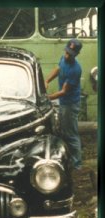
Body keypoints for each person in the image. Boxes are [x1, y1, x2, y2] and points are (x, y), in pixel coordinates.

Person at [45, 38, 83, 170]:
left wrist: (47, 97)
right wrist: (47, 80)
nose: (66, 56)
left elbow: (63, 92)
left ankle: (77, 164)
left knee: (71, 134)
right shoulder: (64, 58)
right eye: (66, 52)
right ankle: (68, 157)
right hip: (63, 102)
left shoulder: (75, 70)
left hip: (70, 103)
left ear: (76, 54)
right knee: (63, 130)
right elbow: (58, 68)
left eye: (70, 54)